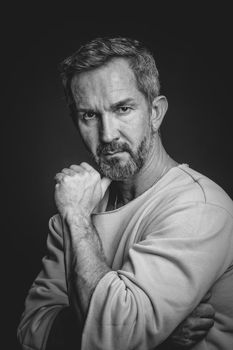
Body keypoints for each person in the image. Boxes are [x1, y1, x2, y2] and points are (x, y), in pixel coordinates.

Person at [17, 37, 233, 350]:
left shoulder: (200, 208)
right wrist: (153, 336)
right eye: (89, 115)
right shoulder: (75, 209)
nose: (107, 134)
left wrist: (127, 332)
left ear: (156, 112)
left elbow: (114, 340)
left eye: (123, 109)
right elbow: (30, 333)